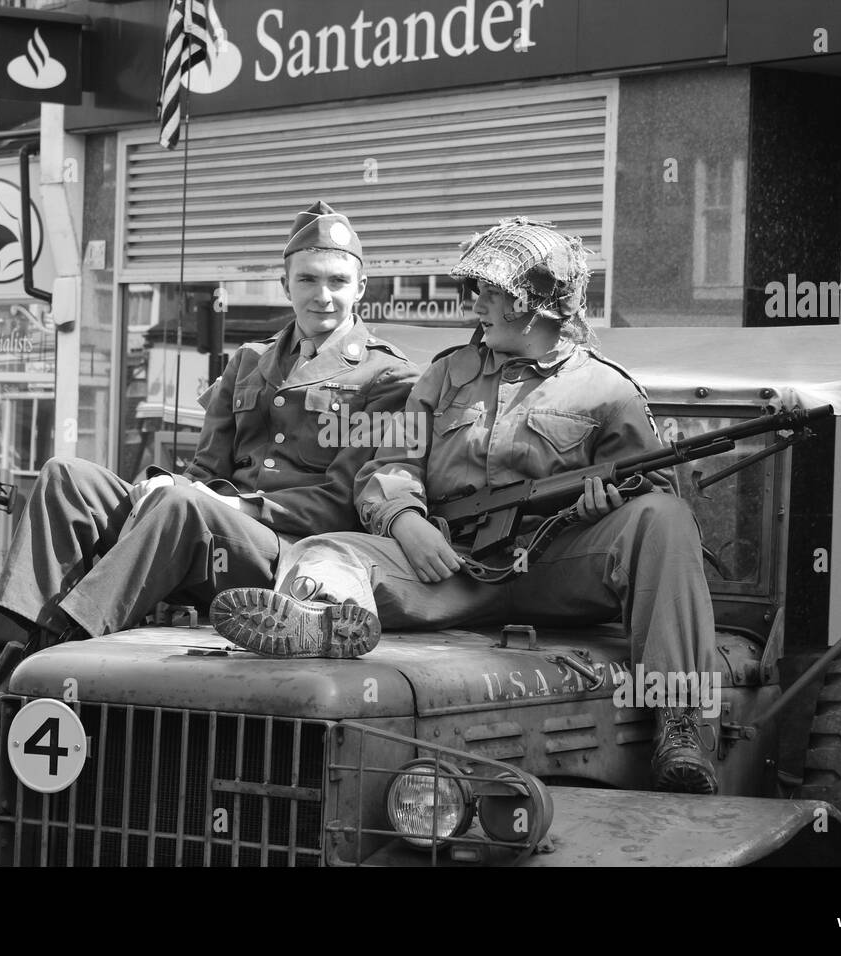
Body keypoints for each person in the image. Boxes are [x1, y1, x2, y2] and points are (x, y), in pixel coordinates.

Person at [210, 217, 722, 794]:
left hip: (555, 566)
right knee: (329, 549)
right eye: (476, 290)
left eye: (492, 293)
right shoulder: (445, 374)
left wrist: (604, 509)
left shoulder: (608, 390)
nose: (476, 305)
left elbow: (651, 491)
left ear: (537, 302)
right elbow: (388, 465)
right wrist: (406, 521)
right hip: (449, 563)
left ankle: (680, 721)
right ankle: (317, 619)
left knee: (665, 518)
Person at [0, 201, 419, 650]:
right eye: (307, 279)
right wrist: (171, 483)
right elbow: (205, 468)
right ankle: (26, 637)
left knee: (179, 504)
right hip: (209, 523)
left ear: (361, 287)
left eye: (337, 281)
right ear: (284, 284)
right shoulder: (249, 361)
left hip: (288, 554)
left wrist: (229, 504)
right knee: (66, 476)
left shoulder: (387, 378)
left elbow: (342, 503)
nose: (322, 295)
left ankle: (68, 647)